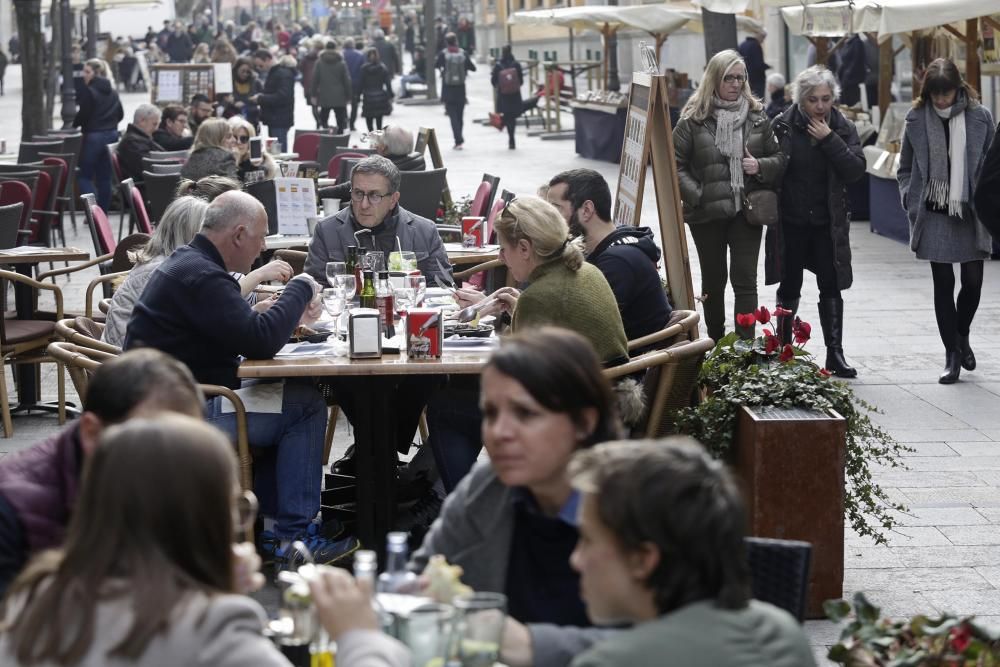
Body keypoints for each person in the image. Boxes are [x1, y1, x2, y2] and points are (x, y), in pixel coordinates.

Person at [125, 191, 356, 564]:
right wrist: (300, 288)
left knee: (290, 392)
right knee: (306, 407)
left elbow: (243, 330)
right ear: (238, 234)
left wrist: (269, 313)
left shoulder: (191, 263)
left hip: (165, 398)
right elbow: (260, 342)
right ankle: (292, 540)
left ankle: (268, 528)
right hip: (178, 414)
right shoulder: (202, 275)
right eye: (261, 237)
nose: (263, 248)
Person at [0, 415, 286, 665]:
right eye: (235, 508)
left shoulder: (36, 597)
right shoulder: (217, 630)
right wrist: (333, 634)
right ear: (206, 519)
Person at [414, 328, 623, 665]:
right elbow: (421, 578)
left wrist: (529, 644)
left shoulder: (637, 506)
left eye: (525, 414)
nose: (499, 432)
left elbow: (675, 641)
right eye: (491, 413)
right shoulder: (489, 487)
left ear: (584, 422)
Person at [432, 197, 629, 492]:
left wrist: (491, 321)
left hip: (571, 415)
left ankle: (469, 506)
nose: (500, 257)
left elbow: (515, 380)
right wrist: (517, 311)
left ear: (525, 248)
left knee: (443, 406)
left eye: (503, 249)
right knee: (463, 399)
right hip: (607, 396)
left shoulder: (540, 296)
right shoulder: (586, 271)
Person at [565, 437, 817, 667]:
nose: (575, 560)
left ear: (642, 559)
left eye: (587, 540)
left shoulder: (609, 662)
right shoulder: (785, 633)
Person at [0, 349, 204, 598]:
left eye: (185, 443)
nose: (172, 463)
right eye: (150, 441)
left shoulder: (167, 479)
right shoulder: (10, 509)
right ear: (92, 433)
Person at [673, 49, 785, 341]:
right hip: (706, 214)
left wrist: (759, 165)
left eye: (740, 78)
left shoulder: (758, 118)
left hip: (746, 212)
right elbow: (674, 164)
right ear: (714, 80)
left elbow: (779, 158)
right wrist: (698, 194)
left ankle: (745, 348)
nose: (736, 84)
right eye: (729, 78)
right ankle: (717, 341)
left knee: (745, 280)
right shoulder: (693, 120)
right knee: (713, 281)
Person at [898, 58, 995, 384]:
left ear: (958, 88)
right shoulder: (915, 119)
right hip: (934, 211)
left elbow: (994, 164)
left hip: (971, 211)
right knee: (943, 284)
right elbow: (905, 168)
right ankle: (952, 354)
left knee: (973, 282)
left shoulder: (980, 116)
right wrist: (909, 198)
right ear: (927, 92)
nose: (942, 100)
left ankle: (962, 333)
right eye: (936, 94)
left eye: (947, 93)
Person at [768, 66, 865, 378]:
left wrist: (830, 139)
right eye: (813, 100)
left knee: (831, 285)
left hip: (828, 223)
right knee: (790, 284)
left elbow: (855, 170)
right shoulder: (782, 125)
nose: (821, 106)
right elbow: (772, 168)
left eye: (826, 99)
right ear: (800, 100)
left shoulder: (841, 125)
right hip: (792, 221)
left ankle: (835, 354)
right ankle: (783, 350)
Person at [102, 191, 292, 348]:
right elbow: (256, 341)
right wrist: (294, 287)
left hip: (146, 369)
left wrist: (258, 309)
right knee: (291, 391)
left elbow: (223, 308)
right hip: (134, 373)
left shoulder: (177, 263)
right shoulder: (184, 271)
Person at [546, 169, 672, 346]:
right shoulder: (602, 250)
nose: (548, 218)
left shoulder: (617, 262)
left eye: (555, 208)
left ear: (587, 210)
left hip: (630, 367)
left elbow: (585, 329)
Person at [305, 155, 449, 283]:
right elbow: (313, 288)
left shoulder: (425, 231)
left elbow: (441, 286)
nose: (364, 204)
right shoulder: (326, 231)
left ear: (393, 199)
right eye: (358, 193)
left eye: (375, 196)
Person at [317, 125, 424, 202]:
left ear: (384, 148)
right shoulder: (419, 163)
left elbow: (344, 191)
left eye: (379, 142)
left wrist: (315, 194)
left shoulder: (379, 171)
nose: (376, 145)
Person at [73, 58, 123, 212]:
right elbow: (120, 114)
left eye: (87, 72)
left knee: (84, 176)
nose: (84, 75)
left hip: (94, 136)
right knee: (104, 178)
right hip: (111, 136)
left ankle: (93, 211)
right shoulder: (113, 91)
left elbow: (84, 114)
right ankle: (103, 213)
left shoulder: (89, 91)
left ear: (97, 73)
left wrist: (75, 124)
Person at [436, 32, 475, 150]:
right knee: (460, 116)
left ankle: (458, 140)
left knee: (452, 116)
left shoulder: (443, 54)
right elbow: (473, 67)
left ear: (446, 42)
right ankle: (459, 139)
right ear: (456, 40)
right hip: (461, 89)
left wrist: (443, 70)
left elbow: (436, 64)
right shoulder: (463, 53)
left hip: (448, 90)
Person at [252, 49, 296, 151]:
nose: (259, 69)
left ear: (268, 60)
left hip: (279, 119)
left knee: (279, 153)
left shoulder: (282, 74)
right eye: (257, 66)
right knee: (275, 151)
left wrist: (261, 98)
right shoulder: (276, 73)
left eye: (261, 65)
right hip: (274, 118)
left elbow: (283, 96)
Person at [116, 103, 163, 184]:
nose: (156, 129)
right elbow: (149, 167)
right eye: (154, 124)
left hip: (150, 184)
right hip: (148, 187)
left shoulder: (136, 139)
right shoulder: (132, 142)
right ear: (142, 121)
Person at [310, 41, 352, 132]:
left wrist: (313, 94)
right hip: (339, 96)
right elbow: (346, 81)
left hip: (324, 95)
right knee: (340, 120)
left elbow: (315, 79)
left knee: (324, 118)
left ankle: (325, 137)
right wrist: (349, 96)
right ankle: (340, 138)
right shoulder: (341, 62)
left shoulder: (319, 62)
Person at [490, 45, 523, 150]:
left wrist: (500, 86)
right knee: (512, 118)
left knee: (508, 116)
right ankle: (512, 138)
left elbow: (493, 81)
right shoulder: (516, 64)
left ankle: (510, 137)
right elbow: (521, 81)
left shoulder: (498, 65)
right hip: (515, 95)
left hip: (503, 96)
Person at [229, 116, 278, 183]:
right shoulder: (224, 161)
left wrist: (256, 167)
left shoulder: (259, 162)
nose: (238, 142)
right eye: (235, 137)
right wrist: (235, 164)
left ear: (250, 141)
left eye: (244, 139)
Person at [224, 57, 264, 131]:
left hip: (252, 118)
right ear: (236, 70)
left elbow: (262, 96)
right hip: (233, 119)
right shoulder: (228, 82)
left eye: (247, 72)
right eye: (242, 71)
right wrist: (232, 102)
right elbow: (222, 99)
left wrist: (257, 99)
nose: (245, 74)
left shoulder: (256, 82)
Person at [360, 47, 393, 132]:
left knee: (368, 117)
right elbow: (387, 83)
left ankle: (371, 134)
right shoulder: (382, 68)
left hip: (368, 96)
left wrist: (358, 94)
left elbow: (361, 83)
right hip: (380, 96)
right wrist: (390, 94)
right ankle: (378, 136)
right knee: (379, 119)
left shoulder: (364, 69)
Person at [737, 29, 768, 99]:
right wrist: (766, 67)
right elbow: (758, 64)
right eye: (763, 37)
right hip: (757, 80)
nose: (763, 40)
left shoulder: (742, 44)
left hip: (745, 79)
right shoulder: (756, 45)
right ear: (758, 35)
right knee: (757, 101)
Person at [342, 37, 365, 131]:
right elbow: (363, 70)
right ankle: (352, 123)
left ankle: (344, 121)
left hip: (343, 83)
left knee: (342, 103)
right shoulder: (360, 55)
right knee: (354, 105)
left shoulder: (341, 55)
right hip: (356, 83)